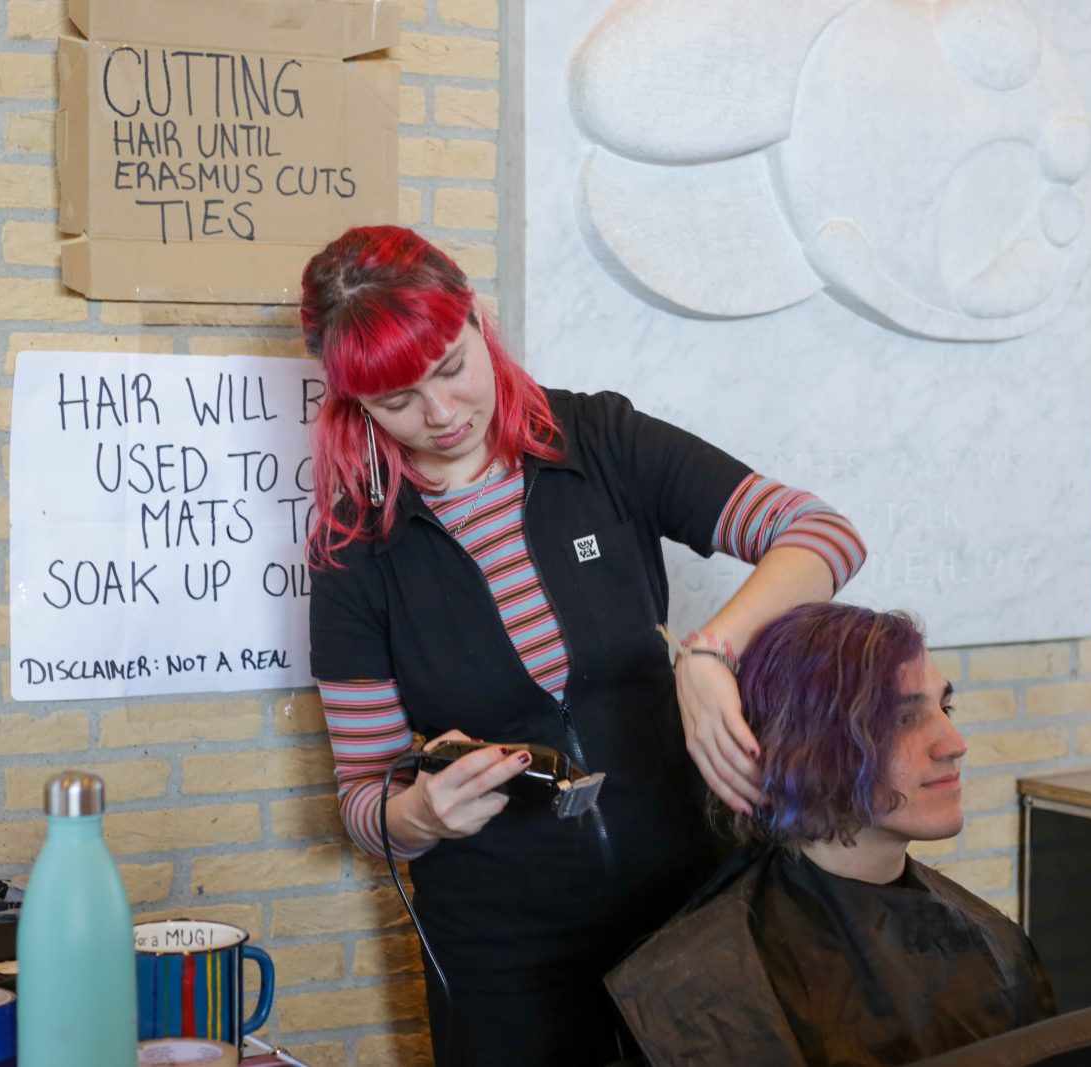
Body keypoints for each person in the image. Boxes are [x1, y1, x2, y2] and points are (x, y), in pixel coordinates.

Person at [301, 225, 867, 1066]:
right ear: (354, 401)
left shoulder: (599, 440)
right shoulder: (352, 552)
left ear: (478, 320)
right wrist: (417, 815)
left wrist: (709, 652)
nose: (442, 414)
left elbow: (822, 533)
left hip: (688, 910)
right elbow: (363, 796)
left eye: (453, 367)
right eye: (397, 400)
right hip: (501, 954)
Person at [607, 602, 1091, 1067]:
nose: (955, 742)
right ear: (807, 745)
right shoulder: (702, 982)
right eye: (905, 718)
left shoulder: (991, 941)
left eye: (945, 706)